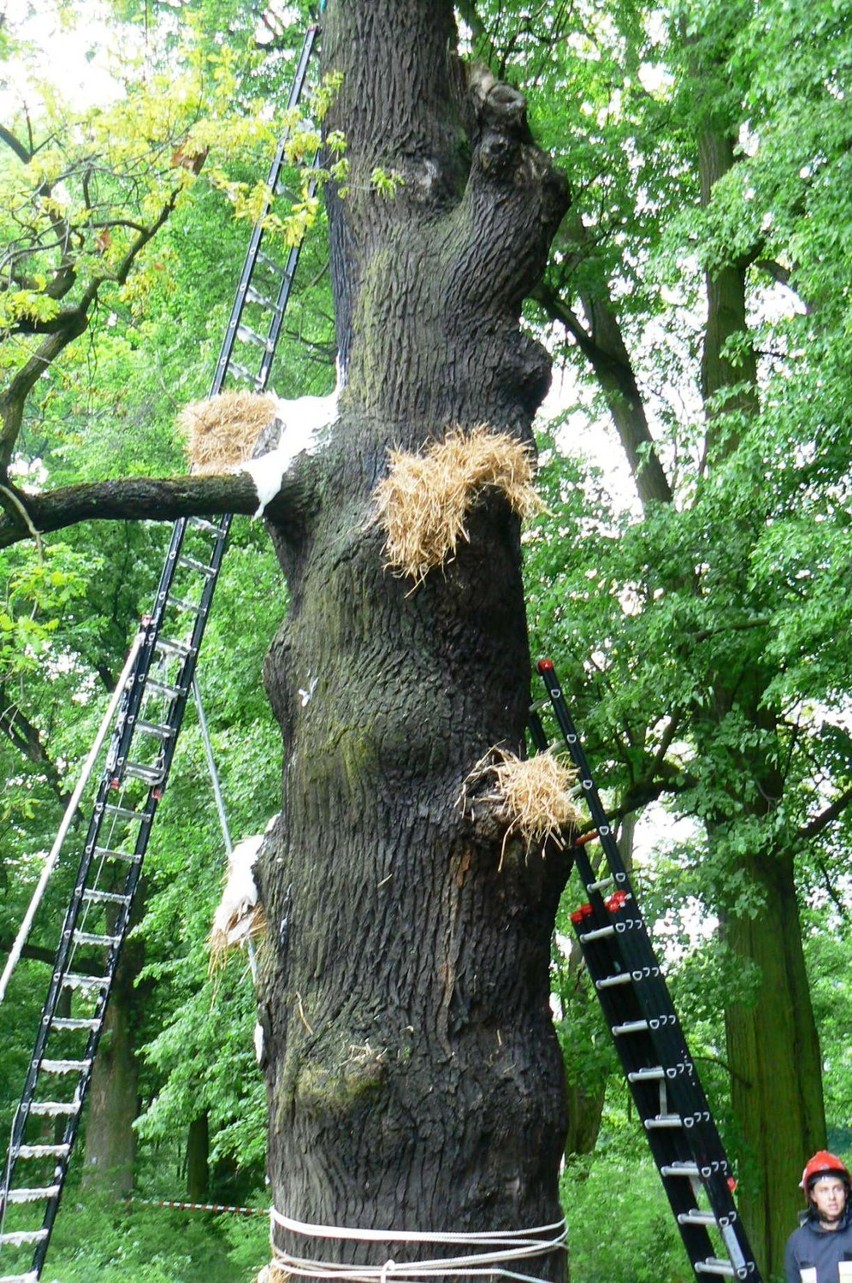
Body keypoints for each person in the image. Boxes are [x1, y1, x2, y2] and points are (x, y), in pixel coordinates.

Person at [785, 1151, 852, 1283]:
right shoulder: (797, 1243)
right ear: (813, 1196)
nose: (832, 1197)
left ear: (845, 1192)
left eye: (837, 1188)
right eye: (824, 1190)